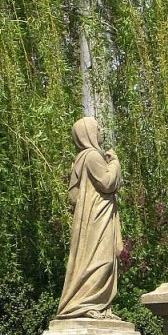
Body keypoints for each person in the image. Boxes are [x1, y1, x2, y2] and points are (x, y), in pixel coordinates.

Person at [55, 116, 123, 318]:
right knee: (100, 261)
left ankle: (99, 305)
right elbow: (108, 182)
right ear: (89, 133)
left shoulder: (83, 157)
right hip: (97, 216)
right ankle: (85, 304)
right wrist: (115, 163)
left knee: (100, 259)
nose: (101, 130)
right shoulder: (92, 156)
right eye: (98, 128)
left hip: (96, 213)